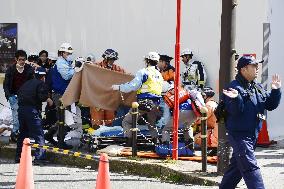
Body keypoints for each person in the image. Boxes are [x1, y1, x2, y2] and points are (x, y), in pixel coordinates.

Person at [219, 55, 281, 189]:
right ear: (244, 69)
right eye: (254, 66)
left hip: (252, 136)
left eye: (257, 65)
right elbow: (235, 112)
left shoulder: (256, 87)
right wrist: (236, 99)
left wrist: (276, 91)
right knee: (250, 168)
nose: (257, 68)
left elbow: (270, 104)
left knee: (235, 170)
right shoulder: (233, 88)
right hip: (240, 136)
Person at [112, 52, 163, 146]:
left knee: (127, 121)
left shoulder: (143, 72)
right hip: (156, 104)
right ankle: (157, 144)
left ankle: (130, 144)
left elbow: (133, 86)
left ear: (147, 61)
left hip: (144, 103)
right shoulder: (159, 75)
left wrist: (119, 87)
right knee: (152, 124)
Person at [15, 67, 53, 164]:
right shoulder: (41, 84)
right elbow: (41, 96)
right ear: (43, 76)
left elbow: (19, 94)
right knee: (38, 134)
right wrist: (48, 99)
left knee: (23, 134)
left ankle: (19, 157)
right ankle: (40, 158)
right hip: (32, 111)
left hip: (21, 111)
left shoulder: (26, 83)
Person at [45, 43, 75, 149]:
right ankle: (60, 141)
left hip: (64, 94)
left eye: (70, 53)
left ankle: (50, 135)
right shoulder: (61, 63)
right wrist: (76, 68)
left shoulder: (65, 62)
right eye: (68, 53)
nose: (69, 55)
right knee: (64, 118)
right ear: (62, 52)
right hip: (59, 94)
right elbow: (66, 76)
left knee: (63, 118)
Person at [3, 50, 34, 142]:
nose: (22, 62)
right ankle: (15, 134)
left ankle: (24, 134)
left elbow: (32, 82)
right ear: (16, 59)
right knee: (16, 116)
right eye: (20, 59)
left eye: (24, 60)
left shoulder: (29, 69)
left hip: (25, 97)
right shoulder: (11, 69)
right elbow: (6, 84)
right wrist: (9, 96)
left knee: (25, 115)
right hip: (13, 96)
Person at [91, 49, 126, 128]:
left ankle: (109, 136)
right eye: (111, 59)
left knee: (110, 121)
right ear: (105, 58)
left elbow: (126, 76)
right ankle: (96, 137)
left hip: (110, 98)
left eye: (113, 60)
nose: (112, 61)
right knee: (97, 121)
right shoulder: (96, 66)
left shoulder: (116, 68)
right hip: (98, 98)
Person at [194, 86, 218, 156]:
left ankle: (212, 148)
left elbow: (201, 119)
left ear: (205, 96)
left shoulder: (208, 106)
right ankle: (213, 149)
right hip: (215, 130)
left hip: (213, 133)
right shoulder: (214, 103)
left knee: (195, 138)